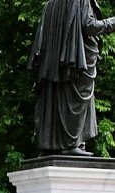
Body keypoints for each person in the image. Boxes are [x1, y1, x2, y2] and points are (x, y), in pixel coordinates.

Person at [29, 0, 115, 156]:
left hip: (53, 65)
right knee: (75, 101)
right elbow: (89, 26)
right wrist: (112, 22)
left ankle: (49, 145)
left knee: (55, 98)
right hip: (76, 61)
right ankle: (71, 143)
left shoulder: (51, 4)